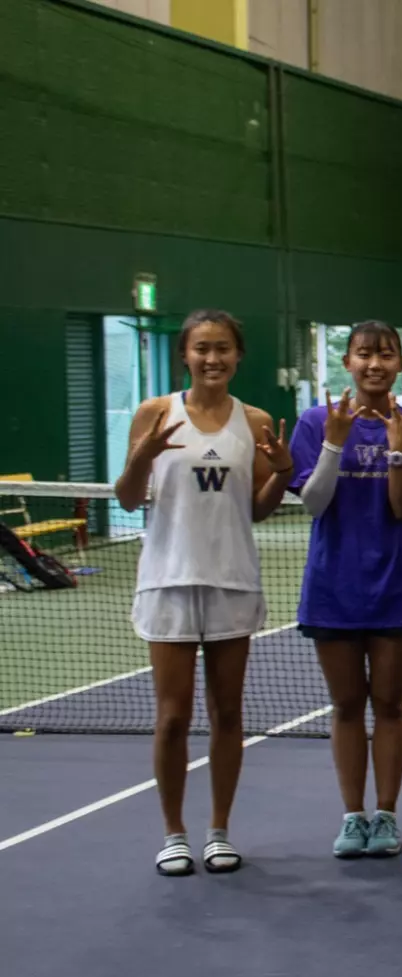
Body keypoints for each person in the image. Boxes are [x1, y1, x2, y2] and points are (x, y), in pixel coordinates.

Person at [114, 309, 292, 876]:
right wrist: (142, 456)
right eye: (201, 349)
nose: (212, 359)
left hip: (232, 581)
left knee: (228, 713)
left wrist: (282, 474)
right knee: (171, 718)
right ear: (184, 356)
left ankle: (218, 831)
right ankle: (173, 833)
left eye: (223, 349)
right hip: (167, 580)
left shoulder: (258, 421)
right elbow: (126, 498)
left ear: (238, 356)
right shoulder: (155, 414)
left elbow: (256, 510)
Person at [290, 321, 402, 860]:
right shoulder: (315, 422)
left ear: (400, 363)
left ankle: (385, 815)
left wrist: (398, 452)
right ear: (348, 363)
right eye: (364, 354)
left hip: (393, 585)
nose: (374, 363)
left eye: (385, 354)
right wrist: (334, 442)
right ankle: (352, 816)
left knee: (388, 702)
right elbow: (313, 502)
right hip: (332, 585)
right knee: (346, 704)